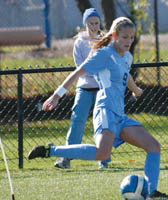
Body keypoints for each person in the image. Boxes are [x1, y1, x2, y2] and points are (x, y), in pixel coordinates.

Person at [28, 17, 168, 198]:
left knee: (153, 146)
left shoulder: (127, 56)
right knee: (102, 153)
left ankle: (151, 192)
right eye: (125, 37)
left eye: (131, 37)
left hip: (120, 115)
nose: (129, 41)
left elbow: (126, 74)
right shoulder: (104, 54)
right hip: (104, 110)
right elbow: (78, 72)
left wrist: (135, 90)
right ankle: (49, 150)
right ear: (114, 35)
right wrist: (56, 95)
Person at [54, 8, 111, 169]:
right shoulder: (79, 42)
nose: (94, 26)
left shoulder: (106, 40)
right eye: (90, 23)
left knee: (102, 123)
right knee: (77, 121)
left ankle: (104, 158)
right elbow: (80, 67)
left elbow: (107, 63)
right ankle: (66, 158)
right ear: (85, 23)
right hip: (84, 88)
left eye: (96, 23)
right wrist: (92, 61)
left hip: (102, 88)